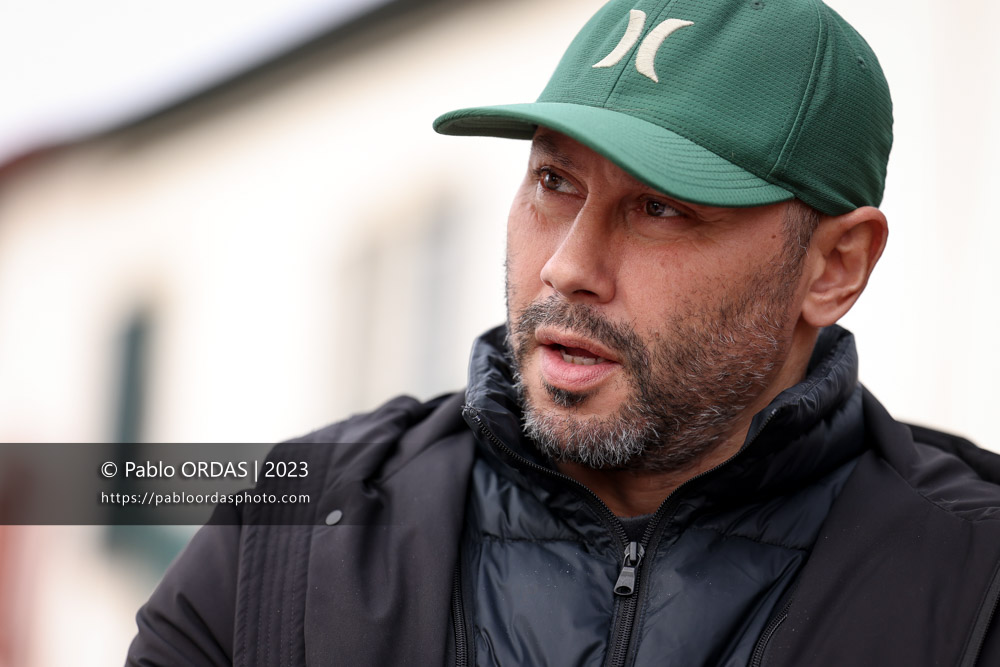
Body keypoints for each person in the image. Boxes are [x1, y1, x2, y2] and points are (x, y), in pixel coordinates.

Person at [127, 0, 1000, 665]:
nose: (568, 265)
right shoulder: (284, 542)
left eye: (659, 207)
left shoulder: (974, 579)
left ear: (834, 266)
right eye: (553, 181)